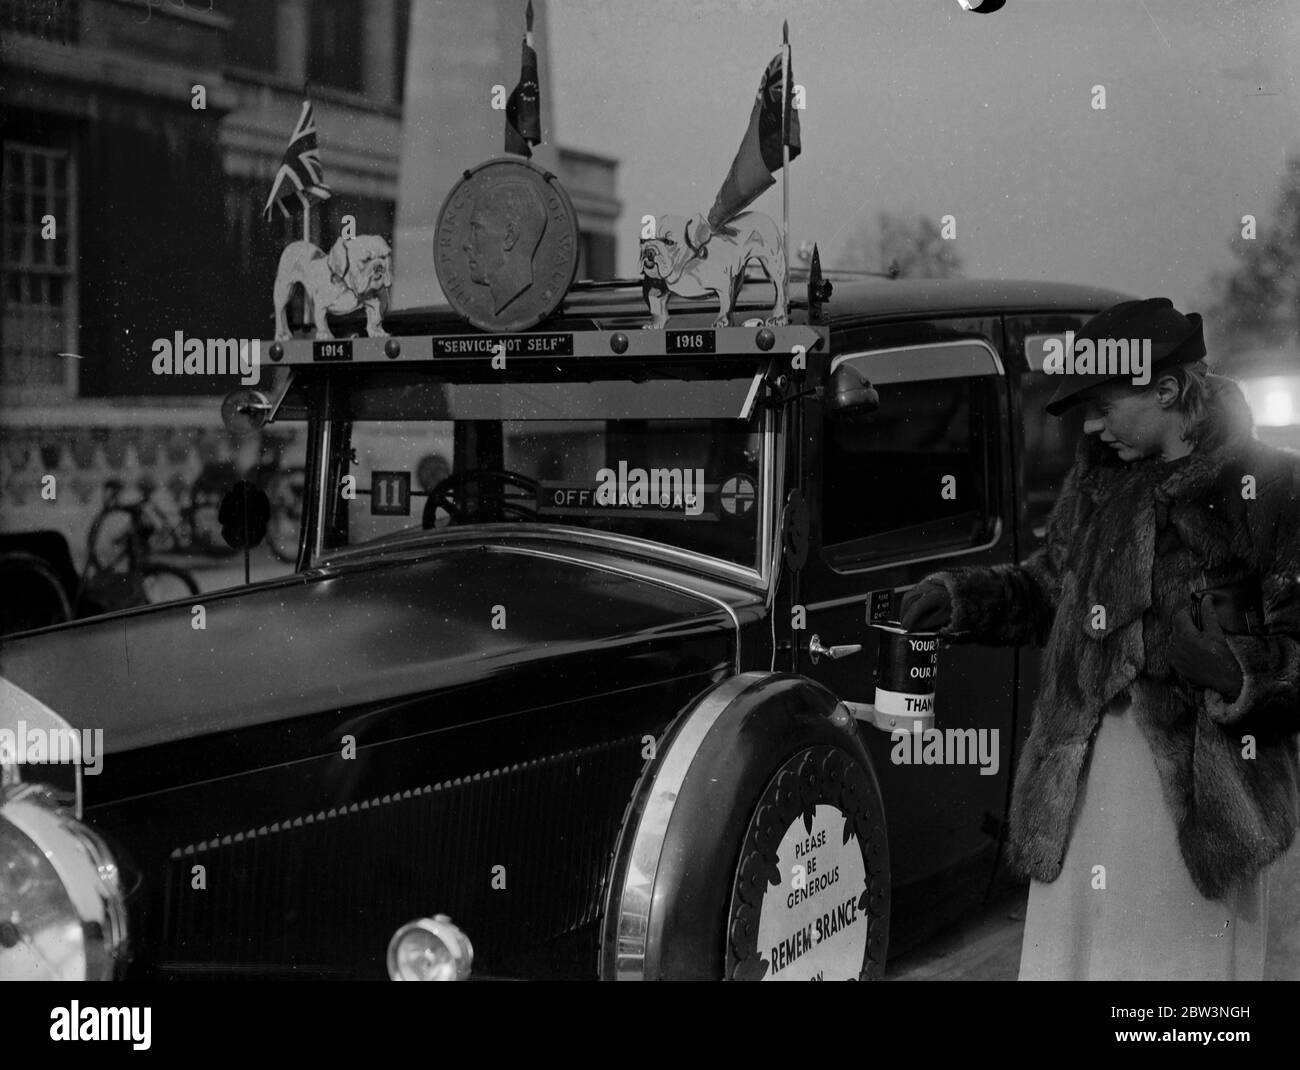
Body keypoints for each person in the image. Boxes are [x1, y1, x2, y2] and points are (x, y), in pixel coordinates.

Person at [900, 298, 1300, 981]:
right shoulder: (1100, 481)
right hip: (1084, 797)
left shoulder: (1271, 487)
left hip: (1200, 819)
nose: (1091, 425)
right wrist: (963, 598)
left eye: (1105, 404)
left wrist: (1236, 673)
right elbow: (1053, 587)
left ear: (1169, 389)